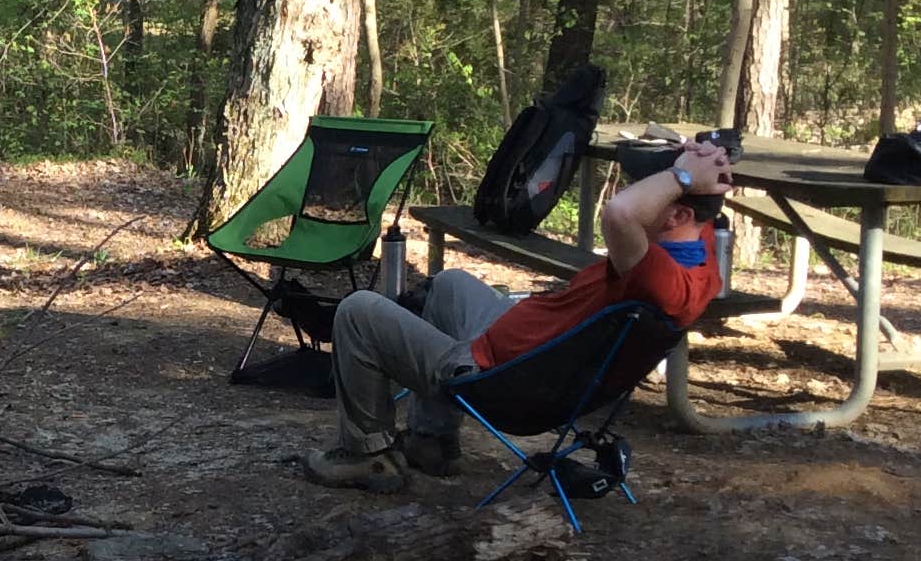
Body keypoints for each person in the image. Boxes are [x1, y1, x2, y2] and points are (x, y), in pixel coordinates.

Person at [301, 137, 734, 492]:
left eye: (654, 189)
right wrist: (701, 159)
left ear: (678, 213)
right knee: (451, 284)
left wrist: (682, 175)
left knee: (358, 311)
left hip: (501, 380)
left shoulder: (656, 274)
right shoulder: (700, 256)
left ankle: (368, 456)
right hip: (526, 354)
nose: (640, 192)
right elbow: (682, 208)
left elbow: (620, 213)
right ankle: (431, 441)